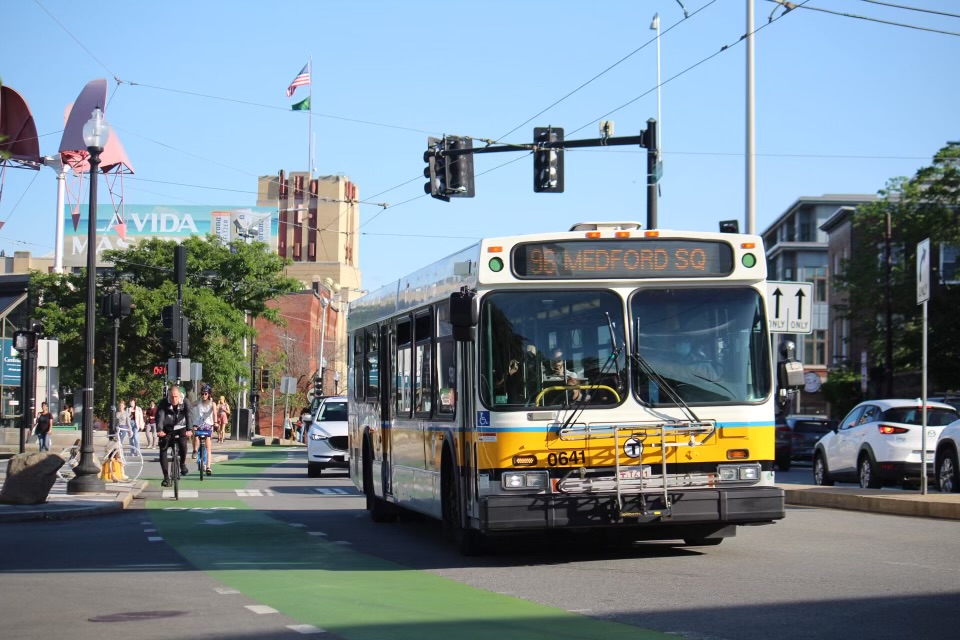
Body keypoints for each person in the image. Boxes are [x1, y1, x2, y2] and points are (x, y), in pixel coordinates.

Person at [157, 385, 193, 487]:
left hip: (180, 427)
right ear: (169, 396)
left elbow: (189, 414)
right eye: (172, 397)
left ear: (179, 396)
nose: (174, 399)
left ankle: (182, 464)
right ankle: (166, 477)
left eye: (176, 397)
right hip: (167, 429)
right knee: (163, 448)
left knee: (183, 445)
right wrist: (159, 430)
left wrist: (189, 429)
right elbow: (160, 416)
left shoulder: (185, 402)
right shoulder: (164, 403)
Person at [191, 384, 217, 475]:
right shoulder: (198, 402)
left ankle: (208, 466)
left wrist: (216, 423)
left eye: (205, 393)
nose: (204, 395)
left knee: (208, 446)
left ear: (209, 394)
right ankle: (195, 450)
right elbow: (189, 406)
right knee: (195, 434)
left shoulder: (212, 404)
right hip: (198, 424)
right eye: (202, 394)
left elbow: (214, 414)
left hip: (208, 425)